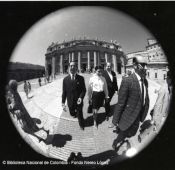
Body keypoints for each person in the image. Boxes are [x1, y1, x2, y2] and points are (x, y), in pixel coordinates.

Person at [112, 55, 149, 151]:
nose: (146, 68)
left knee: (132, 133)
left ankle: (128, 143)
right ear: (135, 66)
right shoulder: (127, 81)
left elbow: (145, 98)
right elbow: (120, 103)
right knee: (122, 133)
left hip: (138, 116)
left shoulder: (145, 81)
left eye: (146, 65)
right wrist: (115, 121)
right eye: (143, 65)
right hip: (128, 116)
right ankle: (115, 143)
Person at [62, 61, 86, 130]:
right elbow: (64, 92)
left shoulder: (81, 78)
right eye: (71, 66)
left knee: (80, 114)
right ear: (69, 67)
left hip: (79, 101)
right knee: (72, 113)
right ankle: (74, 114)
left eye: (74, 66)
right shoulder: (65, 79)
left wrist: (81, 97)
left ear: (76, 67)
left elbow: (83, 90)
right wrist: (63, 103)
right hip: (70, 101)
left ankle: (81, 125)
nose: (72, 67)